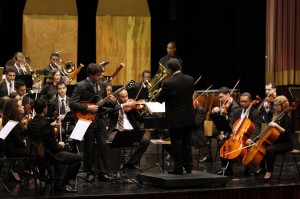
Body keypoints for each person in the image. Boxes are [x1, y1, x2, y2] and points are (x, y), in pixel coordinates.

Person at [27, 98, 81, 192]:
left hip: (36, 155)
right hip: (49, 155)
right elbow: (54, 148)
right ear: (44, 109)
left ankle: (58, 180)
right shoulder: (45, 125)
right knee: (77, 158)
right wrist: (61, 145)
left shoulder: (30, 123)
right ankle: (63, 183)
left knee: (64, 155)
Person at [69, 63, 112, 182]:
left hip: (101, 119)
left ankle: (103, 172)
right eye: (98, 75)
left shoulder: (102, 85)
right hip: (87, 119)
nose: (101, 76)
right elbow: (72, 103)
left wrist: (112, 101)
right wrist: (87, 108)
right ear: (91, 75)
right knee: (89, 146)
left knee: (103, 145)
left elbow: (104, 103)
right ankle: (90, 171)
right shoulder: (81, 85)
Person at [156, 58, 194, 175]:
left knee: (176, 143)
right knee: (187, 142)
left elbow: (159, 99)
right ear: (179, 67)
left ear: (170, 69)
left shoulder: (169, 83)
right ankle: (188, 167)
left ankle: (178, 168)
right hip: (188, 117)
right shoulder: (190, 79)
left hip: (175, 119)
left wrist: (160, 89)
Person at [246, 95, 293, 180]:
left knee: (269, 149)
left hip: (285, 143)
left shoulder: (287, 118)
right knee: (263, 146)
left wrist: (276, 126)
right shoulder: (276, 115)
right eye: (273, 105)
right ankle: (262, 168)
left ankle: (269, 171)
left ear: (282, 106)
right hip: (276, 141)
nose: (274, 107)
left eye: (276, 105)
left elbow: (287, 132)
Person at [106, 89, 150, 170]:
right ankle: (120, 163)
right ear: (117, 97)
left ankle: (132, 163)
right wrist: (121, 106)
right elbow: (110, 111)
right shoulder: (113, 105)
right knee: (113, 139)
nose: (126, 99)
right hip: (116, 130)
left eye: (127, 96)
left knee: (146, 141)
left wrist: (141, 110)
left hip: (131, 130)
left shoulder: (131, 106)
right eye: (123, 97)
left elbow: (140, 119)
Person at [211, 86, 241, 176]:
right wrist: (214, 111)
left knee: (221, 142)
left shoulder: (234, 107)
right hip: (226, 128)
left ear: (228, 95)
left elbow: (231, 125)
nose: (220, 100)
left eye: (221, 97)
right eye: (219, 97)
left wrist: (225, 135)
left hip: (233, 131)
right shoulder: (225, 105)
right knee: (213, 133)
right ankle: (224, 167)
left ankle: (227, 169)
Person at [3, 98, 28, 182]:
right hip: (13, 149)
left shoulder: (7, 119)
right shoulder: (13, 122)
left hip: (9, 148)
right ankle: (18, 170)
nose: (23, 107)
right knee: (34, 151)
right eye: (20, 106)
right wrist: (26, 143)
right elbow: (18, 142)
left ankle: (22, 170)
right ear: (15, 109)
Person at [191, 91, 212, 166]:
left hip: (196, 131)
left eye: (191, 97)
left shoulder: (200, 109)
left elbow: (196, 124)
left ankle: (207, 155)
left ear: (196, 98)